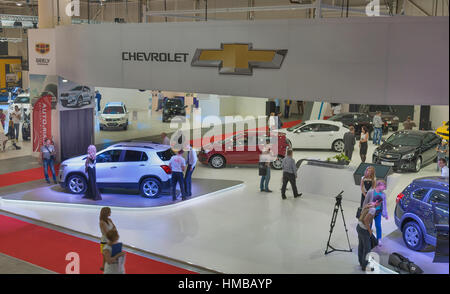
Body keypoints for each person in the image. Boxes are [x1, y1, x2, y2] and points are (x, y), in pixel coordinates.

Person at [357, 198, 383, 272]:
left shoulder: (369, 204)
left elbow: (361, 213)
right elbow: (366, 220)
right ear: (377, 202)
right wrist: (370, 231)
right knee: (367, 249)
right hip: (364, 230)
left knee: (361, 245)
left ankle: (361, 262)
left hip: (359, 227)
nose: (380, 205)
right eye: (380, 203)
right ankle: (364, 266)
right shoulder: (373, 209)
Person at [363, 180, 389, 246]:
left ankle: (379, 239)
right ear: (379, 185)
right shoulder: (370, 192)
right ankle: (368, 238)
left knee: (378, 225)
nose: (385, 187)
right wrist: (364, 210)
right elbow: (365, 202)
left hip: (378, 212)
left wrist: (385, 214)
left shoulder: (383, 195)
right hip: (370, 212)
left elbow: (384, 205)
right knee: (369, 226)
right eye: (384, 185)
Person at [99, 207, 116, 272]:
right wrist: (113, 232)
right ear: (106, 213)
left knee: (110, 255)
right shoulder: (102, 222)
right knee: (105, 256)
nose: (110, 213)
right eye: (109, 212)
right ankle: (104, 267)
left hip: (111, 240)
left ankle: (105, 267)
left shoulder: (110, 220)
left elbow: (114, 227)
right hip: (105, 241)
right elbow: (107, 233)